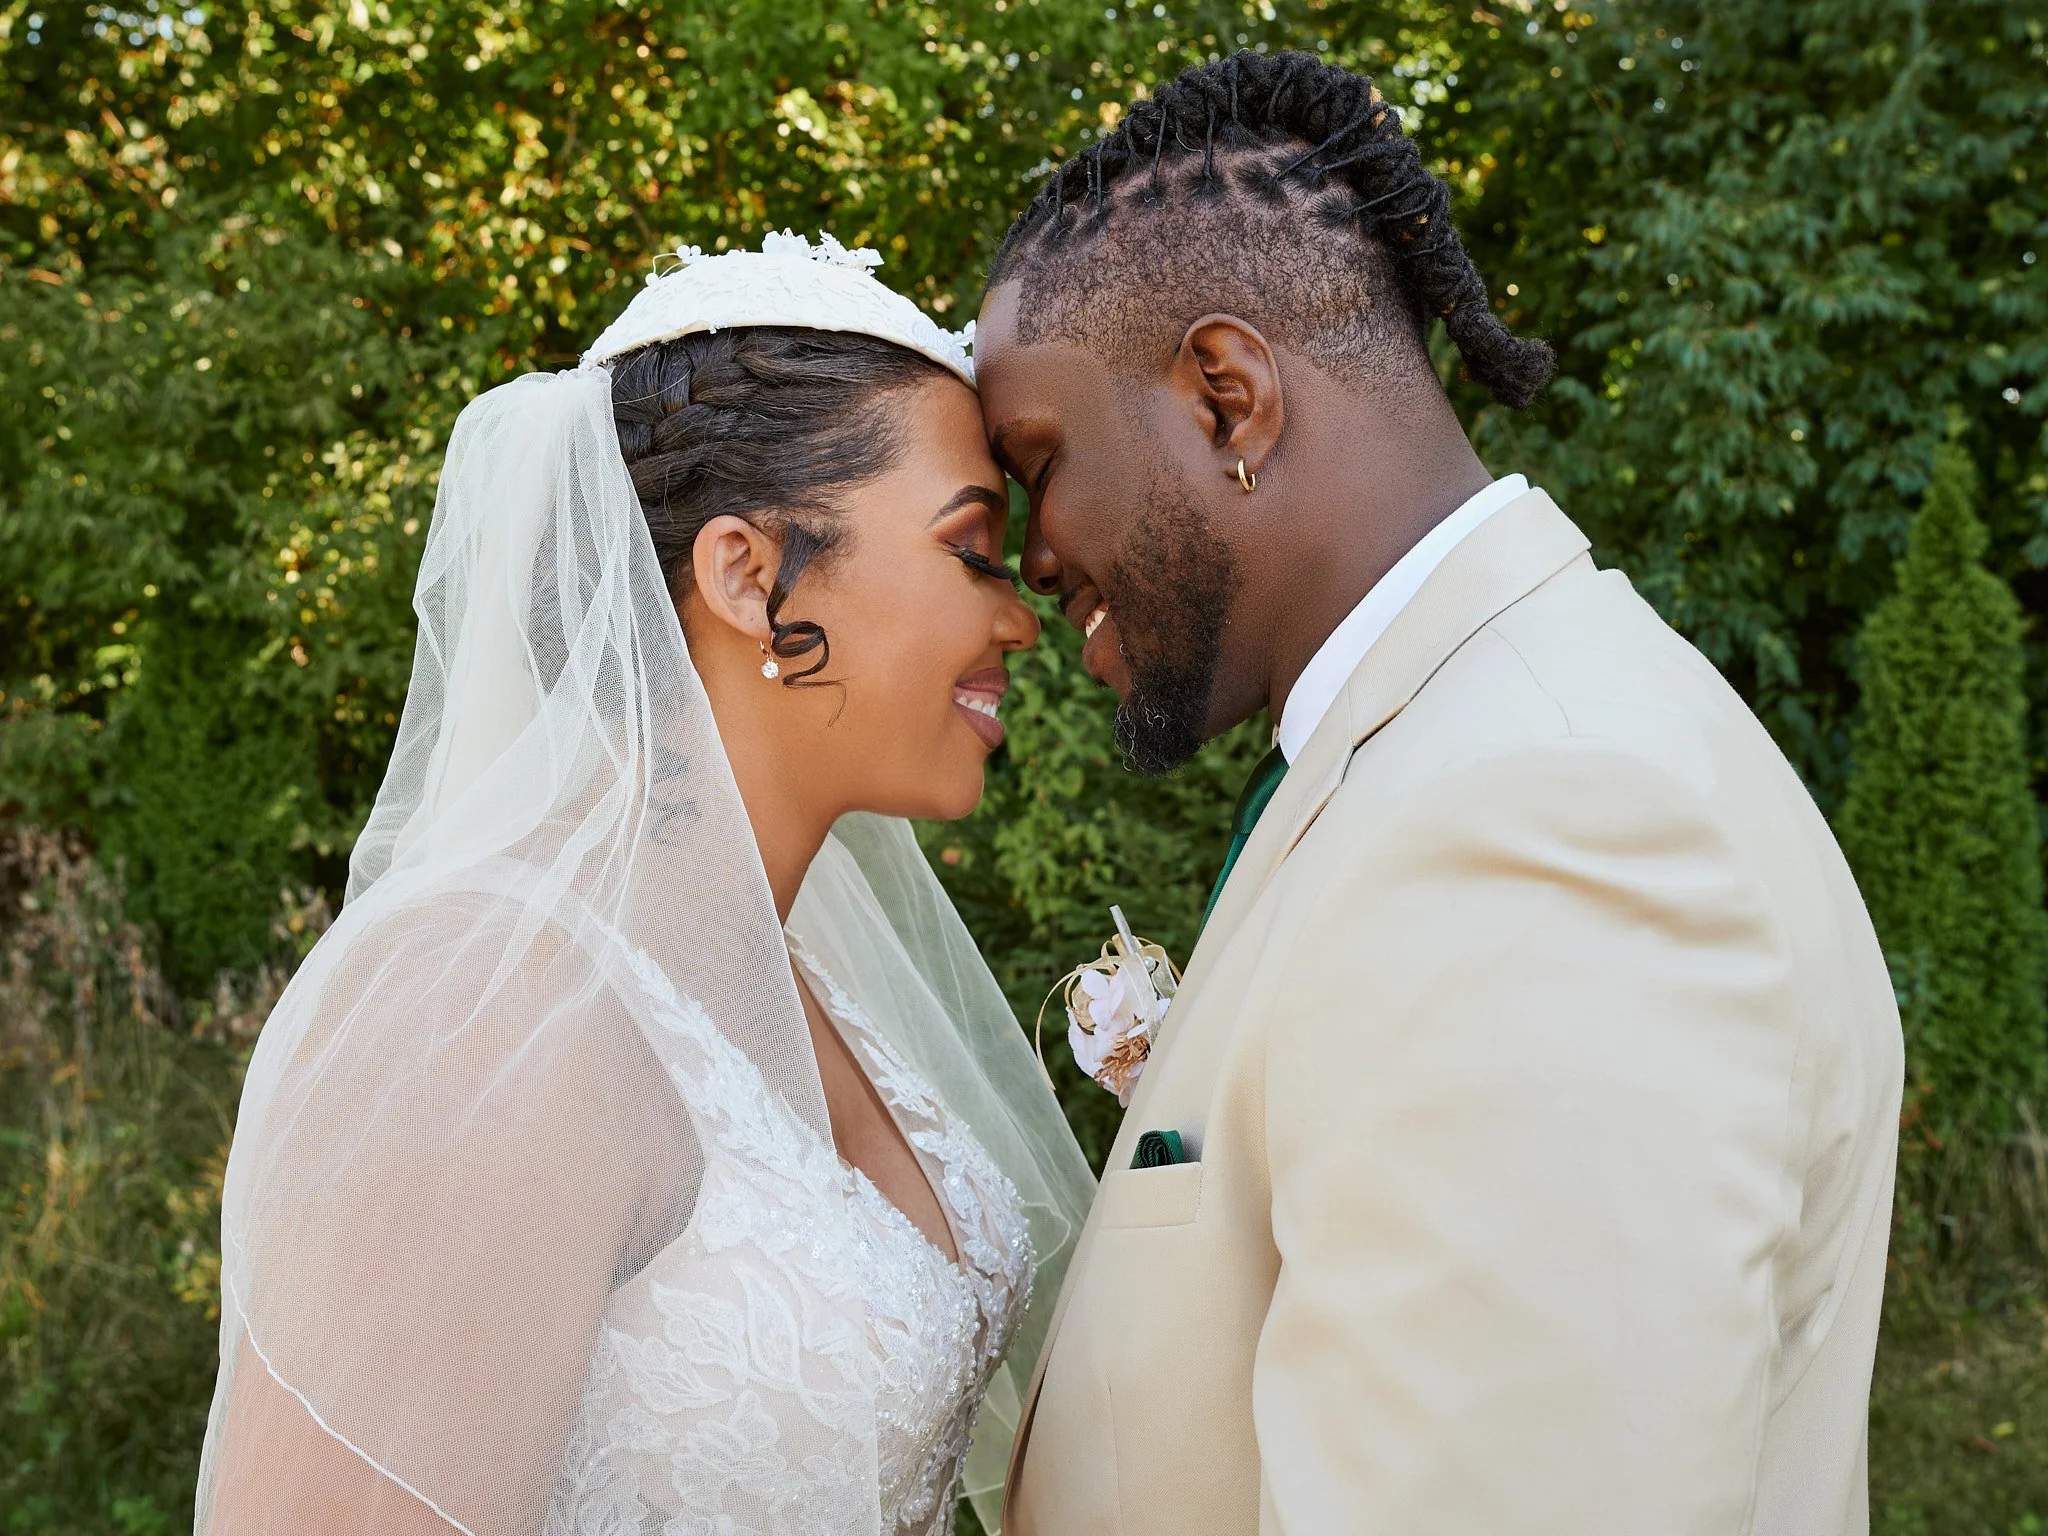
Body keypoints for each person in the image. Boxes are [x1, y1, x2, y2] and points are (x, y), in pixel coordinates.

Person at [975, 51, 1903, 1536]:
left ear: (1227, 399)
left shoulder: (1546, 826)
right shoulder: (1461, 749)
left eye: (1038, 463)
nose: (1029, 556)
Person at [194, 231, 1094, 1536]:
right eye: (970, 549)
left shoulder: (805, 977)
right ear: (745, 574)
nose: (1018, 617)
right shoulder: (488, 1014)